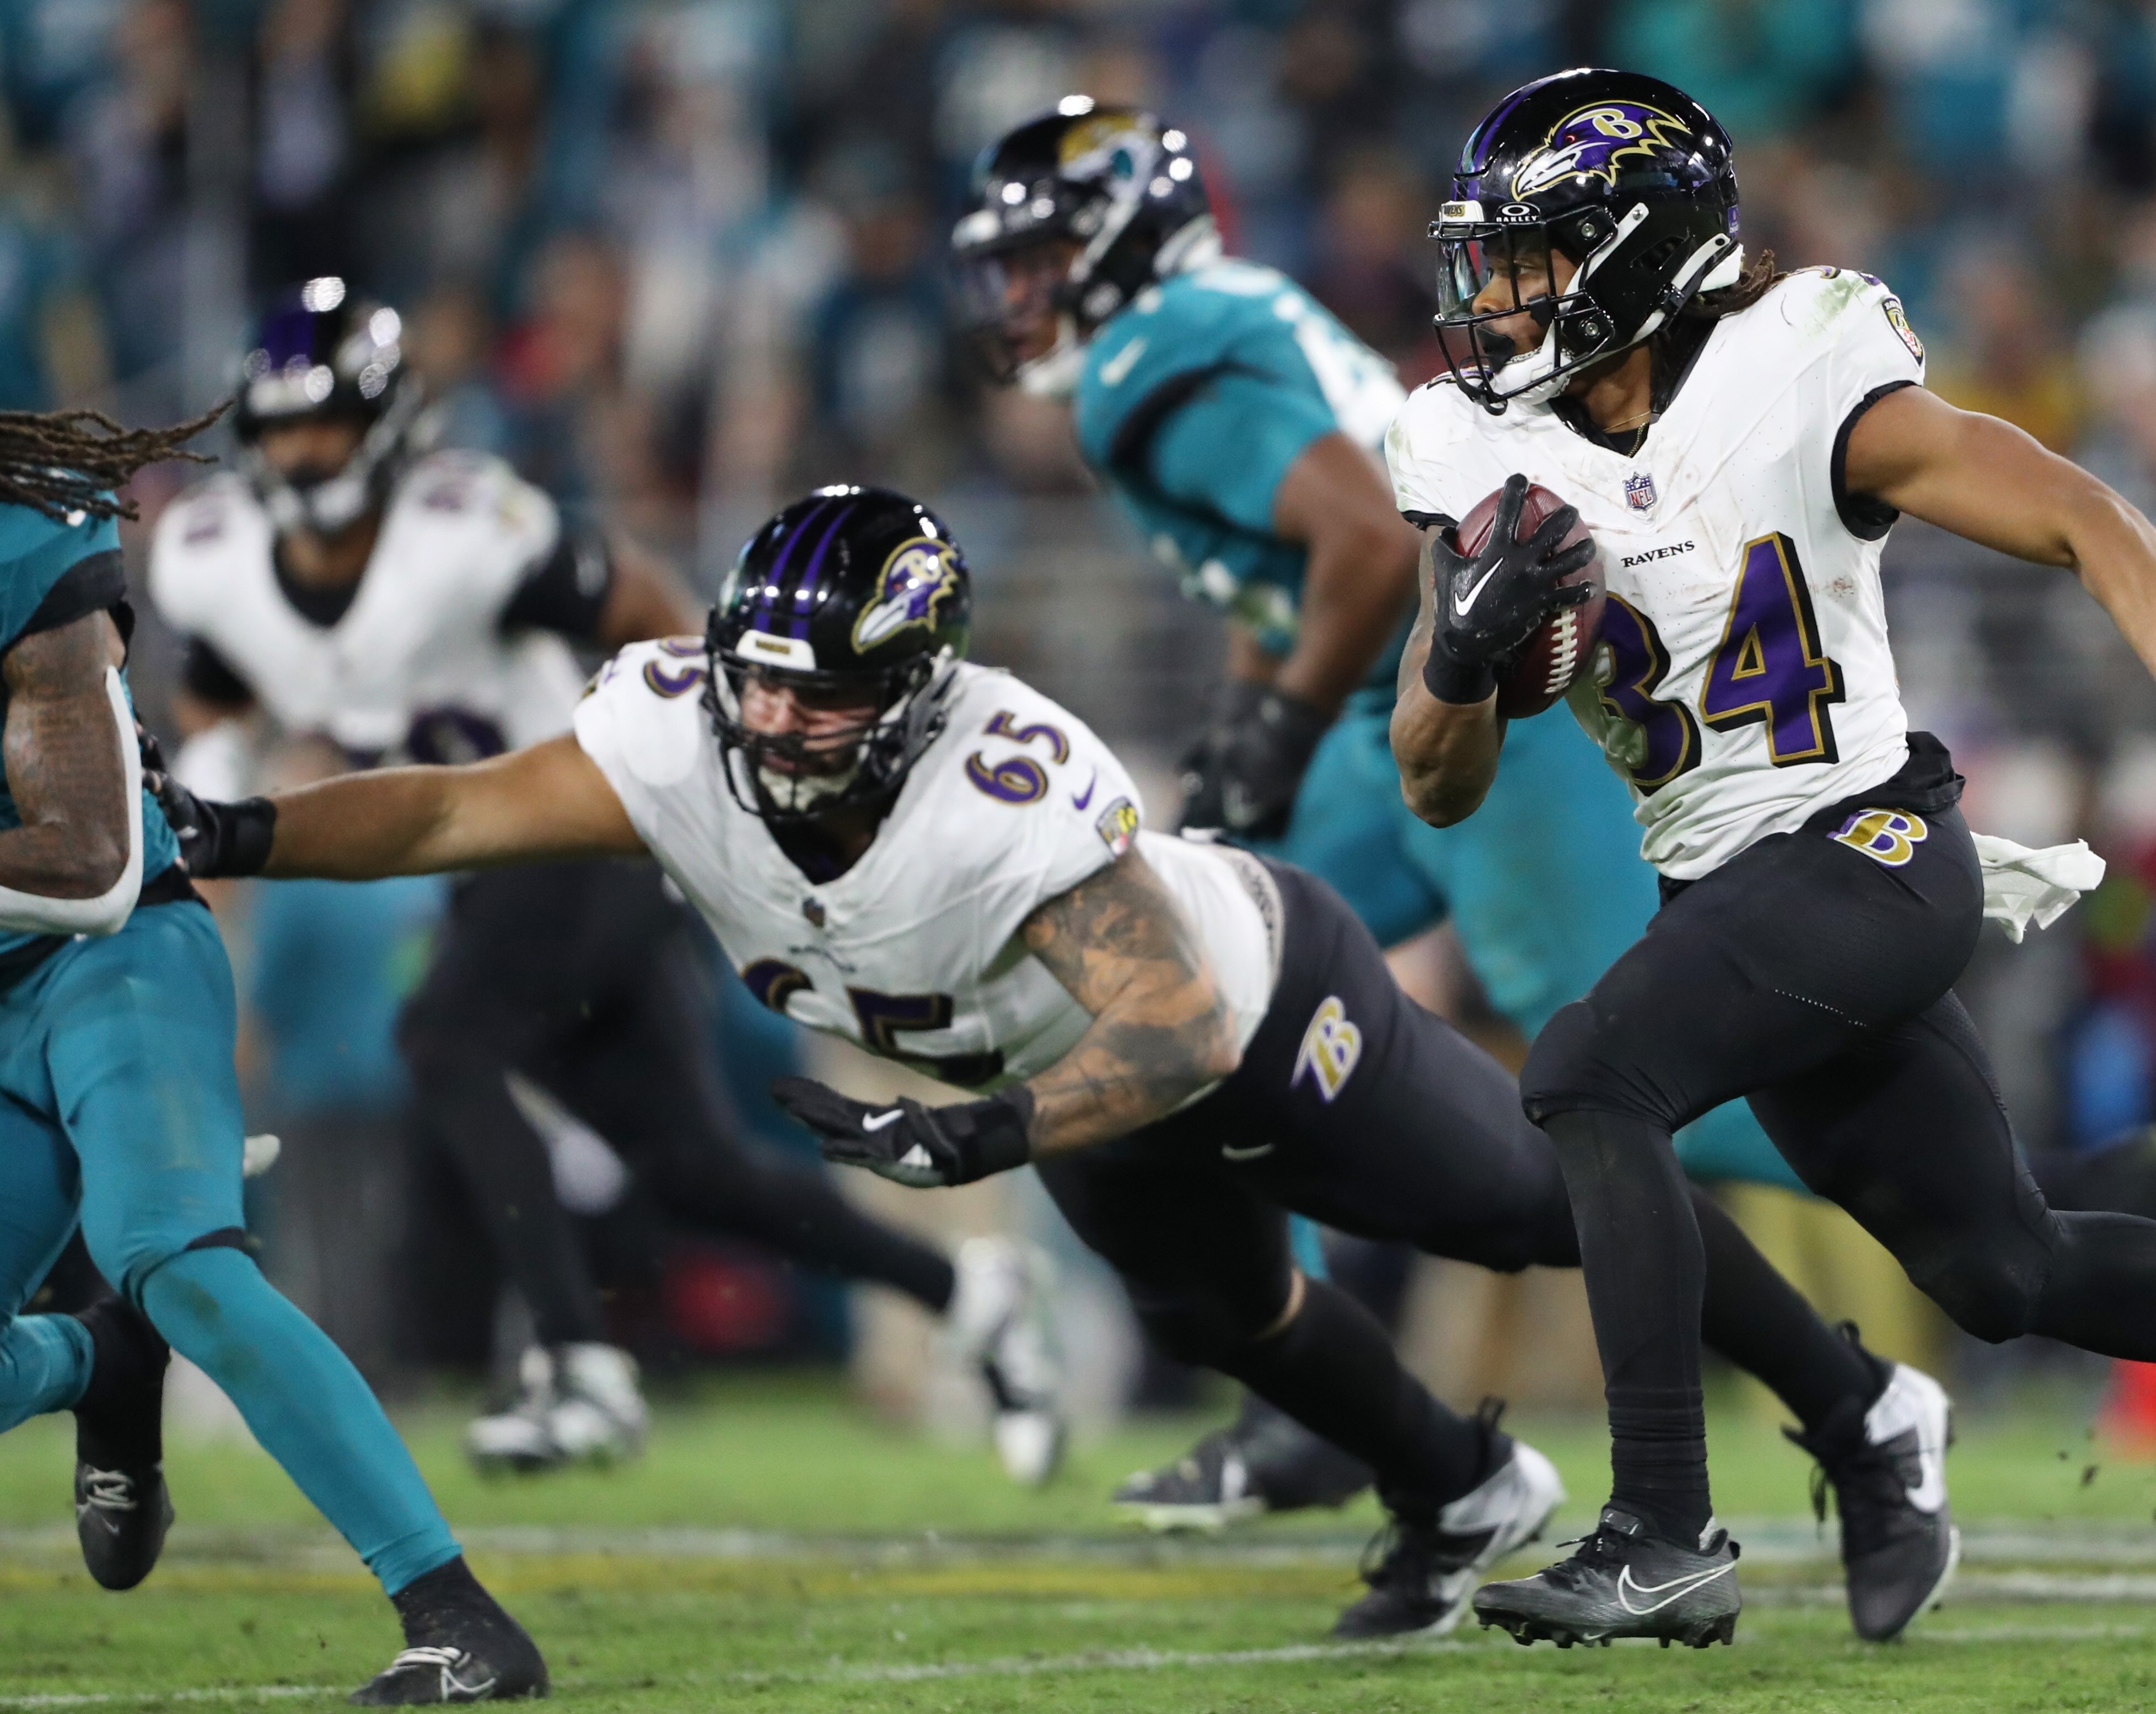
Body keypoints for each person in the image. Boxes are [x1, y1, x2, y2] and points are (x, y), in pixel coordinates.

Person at [154, 484, 1964, 1642]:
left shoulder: (996, 785)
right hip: (1061, 1068)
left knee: (1529, 1202)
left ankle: (1864, 1411)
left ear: (918, 685)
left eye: (821, 691)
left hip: (1253, 1007)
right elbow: (449, 809)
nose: (775, 721)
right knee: (1223, 1316)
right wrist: (235, 833)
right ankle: (1459, 1487)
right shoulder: (673, 735)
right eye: (756, 680)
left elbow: (1174, 1025)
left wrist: (990, 1133)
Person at [952, 95, 2156, 1554]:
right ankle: (1307, 1382)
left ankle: (1999, 1252)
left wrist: (1277, 727)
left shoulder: (1145, 364)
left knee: (1621, 1082)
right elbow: (1284, 564)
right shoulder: (1223, 322)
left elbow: (1354, 541)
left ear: (1113, 241)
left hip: (1492, 698)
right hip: (1390, 721)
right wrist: (1259, 709)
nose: (1016, 290)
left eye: (1037, 256)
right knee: (1209, 988)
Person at [1381, 68, 2156, 1650]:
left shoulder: (1797, 370)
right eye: (1486, 265)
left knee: (1583, 1076)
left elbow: (2081, 511)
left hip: (1869, 846)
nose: (1492, 301)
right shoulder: (1477, 453)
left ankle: (1663, 1528)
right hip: (1730, 891)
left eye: (1529, 261)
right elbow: (1434, 779)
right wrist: (1464, 651)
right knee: (2004, 1269)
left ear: (1634, 254)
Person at [150, 279, 1061, 1482]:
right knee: (692, 1168)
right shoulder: (215, 558)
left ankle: (580, 1363)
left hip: (588, 828)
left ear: (385, 425)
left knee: (443, 1039)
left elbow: (644, 607)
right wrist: (214, 796)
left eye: (326, 424)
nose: (304, 454)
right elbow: (219, 695)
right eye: (283, 429)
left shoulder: (467, 530)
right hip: (487, 871)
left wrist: (709, 770)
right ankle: (967, 1289)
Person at [0, 402, 546, 1702]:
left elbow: (90, 864)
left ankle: (457, 1615)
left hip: (108, 958)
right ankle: (99, 1362)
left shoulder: (20, 550)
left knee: (174, 1257)